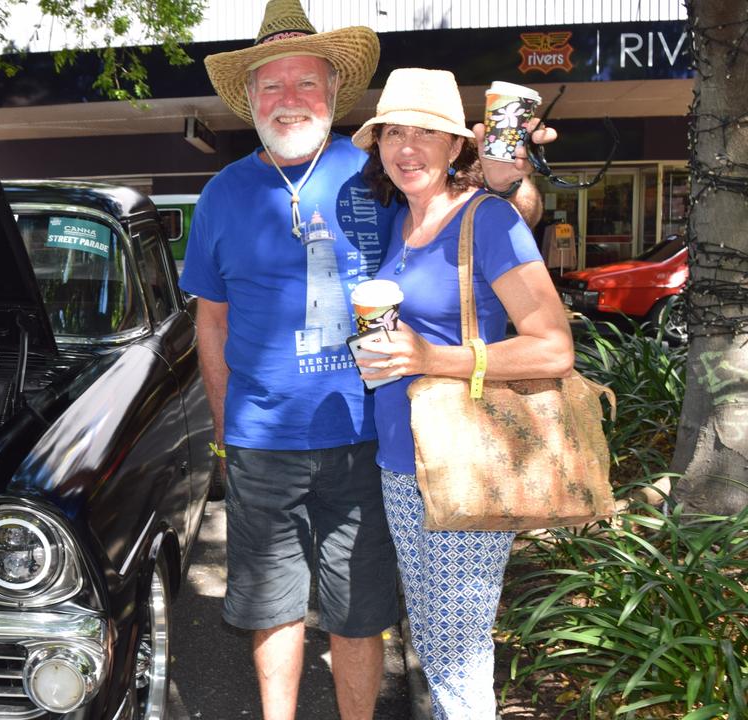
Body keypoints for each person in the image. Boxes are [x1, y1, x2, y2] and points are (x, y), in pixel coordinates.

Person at [180, 2, 555, 719]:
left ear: (333, 93)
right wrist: (228, 434)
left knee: (360, 611)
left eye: (306, 84)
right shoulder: (222, 195)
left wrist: (510, 181)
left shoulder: (384, 171)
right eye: (272, 86)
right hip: (262, 444)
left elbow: (490, 220)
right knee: (272, 608)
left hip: (370, 440)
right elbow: (212, 323)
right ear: (251, 98)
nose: (289, 100)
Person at [350, 68, 575, 719]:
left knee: (457, 657)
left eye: (428, 132)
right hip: (402, 464)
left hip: (464, 463)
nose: (407, 146)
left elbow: (553, 348)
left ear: (457, 148)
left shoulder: (490, 219)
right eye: (394, 130)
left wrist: (430, 357)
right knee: (435, 642)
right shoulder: (406, 225)